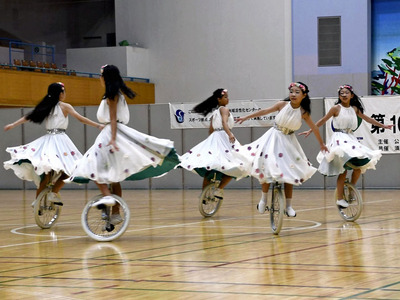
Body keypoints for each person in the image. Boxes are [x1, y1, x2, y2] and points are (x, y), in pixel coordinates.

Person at [67, 64, 180, 224]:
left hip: (111, 133)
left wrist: (112, 138)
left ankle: (107, 197)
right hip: (114, 131)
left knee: (92, 166)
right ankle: (115, 213)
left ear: (105, 77)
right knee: (113, 177)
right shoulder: (114, 94)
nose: (99, 78)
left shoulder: (112, 95)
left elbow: (112, 118)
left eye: (101, 75)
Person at [236, 82, 328, 217]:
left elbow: (314, 128)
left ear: (304, 95)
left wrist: (321, 144)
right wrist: (246, 117)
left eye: (297, 92)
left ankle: (289, 206)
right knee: (266, 167)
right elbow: (264, 111)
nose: (293, 94)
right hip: (273, 137)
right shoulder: (282, 105)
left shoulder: (303, 112)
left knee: (289, 172)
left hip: (288, 141)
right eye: (292, 91)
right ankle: (263, 199)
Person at [4, 82, 103, 204]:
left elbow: (29, 117)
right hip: (61, 141)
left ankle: (37, 201)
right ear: (61, 94)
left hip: (48, 140)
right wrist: (98, 125)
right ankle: (54, 192)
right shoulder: (65, 106)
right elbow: (80, 118)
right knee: (70, 169)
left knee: (47, 173)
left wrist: (13, 124)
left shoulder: (46, 106)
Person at [300, 84, 393, 208]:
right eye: (341, 93)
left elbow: (368, 119)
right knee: (342, 170)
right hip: (339, 138)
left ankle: (351, 188)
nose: (344, 95)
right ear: (339, 96)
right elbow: (323, 120)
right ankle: (339, 199)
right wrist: (311, 130)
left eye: (346, 93)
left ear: (352, 95)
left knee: (358, 167)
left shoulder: (354, 109)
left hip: (350, 138)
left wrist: (383, 126)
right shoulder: (335, 108)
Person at [179, 88, 249, 200]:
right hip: (224, 137)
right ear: (219, 99)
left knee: (210, 166)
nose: (228, 99)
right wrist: (229, 134)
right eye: (225, 97)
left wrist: (210, 143)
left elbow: (211, 130)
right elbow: (224, 123)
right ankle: (219, 189)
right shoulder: (224, 109)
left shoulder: (214, 113)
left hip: (215, 137)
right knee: (237, 165)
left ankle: (203, 195)